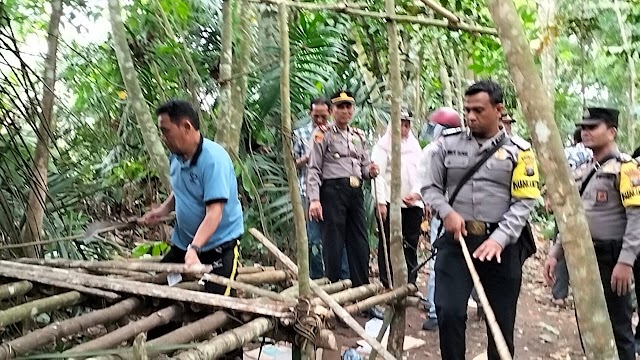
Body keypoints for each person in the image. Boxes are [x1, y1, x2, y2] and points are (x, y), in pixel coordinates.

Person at [422, 80, 540, 359]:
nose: (471, 116)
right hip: (457, 241)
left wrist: (499, 239)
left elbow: (524, 202)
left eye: (478, 110)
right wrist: (446, 212)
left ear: (499, 110)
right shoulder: (446, 146)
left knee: (500, 322)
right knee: (449, 312)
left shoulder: (520, 151)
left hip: (501, 247)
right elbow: (430, 188)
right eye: (467, 110)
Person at [141, 100, 245, 358]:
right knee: (160, 292)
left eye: (166, 130)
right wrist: (163, 210)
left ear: (186, 126)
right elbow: (180, 190)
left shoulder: (214, 160)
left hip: (218, 247)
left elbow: (215, 212)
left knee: (220, 311)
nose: (163, 136)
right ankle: (165, 351)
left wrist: (195, 249)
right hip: (184, 244)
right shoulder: (176, 157)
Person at [544, 107, 640, 360]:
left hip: (613, 257)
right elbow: (573, 219)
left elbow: (636, 216)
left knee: (618, 327)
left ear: (611, 132)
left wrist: (626, 260)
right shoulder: (583, 169)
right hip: (584, 257)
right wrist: (556, 253)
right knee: (589, 325)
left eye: (593, 127)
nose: (585, 132)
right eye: (583, 127)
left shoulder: (626, 169)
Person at [307, 90, 379, 291]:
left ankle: (362, 292)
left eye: (349, 106)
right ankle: (334, 292)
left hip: (355, 193)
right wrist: (314, 199)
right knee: (334, 244)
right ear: (332, 110)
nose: (345, 111)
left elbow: (364, 166)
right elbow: (314, 168)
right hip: (333, 191)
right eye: (340, 107)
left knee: (360, 243)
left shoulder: (358, 136)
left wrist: (370, 170)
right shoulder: (322, 134)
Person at [415, 106, 462, 331]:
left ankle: (435, 311)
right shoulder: (465, 148)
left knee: (438, 262)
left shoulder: (435, 150)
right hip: (459, 214)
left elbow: (426, 185)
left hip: (443, 216)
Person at [293, 98, 349, 280]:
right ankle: (317, 279)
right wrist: (309, 158)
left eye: (323, 117)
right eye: (316, 116)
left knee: (337, 237)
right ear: (310, 113)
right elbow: (293, 163)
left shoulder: (335, 133)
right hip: (308, 192)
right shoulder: (300, 133)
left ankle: (341, 279)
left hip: (333, 193)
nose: (319, 120)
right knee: (314, 238)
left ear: (330, 113)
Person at [371, 108, 424, 289]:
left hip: (412, 204)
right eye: (400, 124)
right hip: (389, 202)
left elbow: (421, 173)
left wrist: (417, 193)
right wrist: (380, 202)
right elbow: (377, 175)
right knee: (388, 242)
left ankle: (410, 282)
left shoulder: (415, 146)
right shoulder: (382, 146)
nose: (404, 128)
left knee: (410, 243)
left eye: (407, 124)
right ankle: (388, 282)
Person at [550, 128, 593, 307]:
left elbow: (554, 177)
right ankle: (586, 296)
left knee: (562, 249)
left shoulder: (565, 153)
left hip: (565, 206)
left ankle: (559, 295)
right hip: (590, 207)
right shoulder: (595, 154)